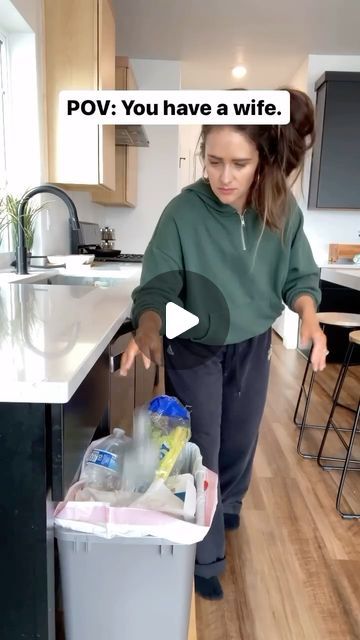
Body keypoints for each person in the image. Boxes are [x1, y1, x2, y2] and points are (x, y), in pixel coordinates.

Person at [119, 88, 328, 600]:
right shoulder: (182, 213)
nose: (225, 176)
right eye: (214, 161)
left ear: (263, 160)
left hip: (253, 339)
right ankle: (205, 557)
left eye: (239, 163)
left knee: (240, 438)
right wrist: (145, 331)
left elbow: (299, 275)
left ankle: (227, 505)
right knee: (203, 446)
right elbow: (157, 288)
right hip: (194, 342)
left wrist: (310, 317)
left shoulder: (280, 207)